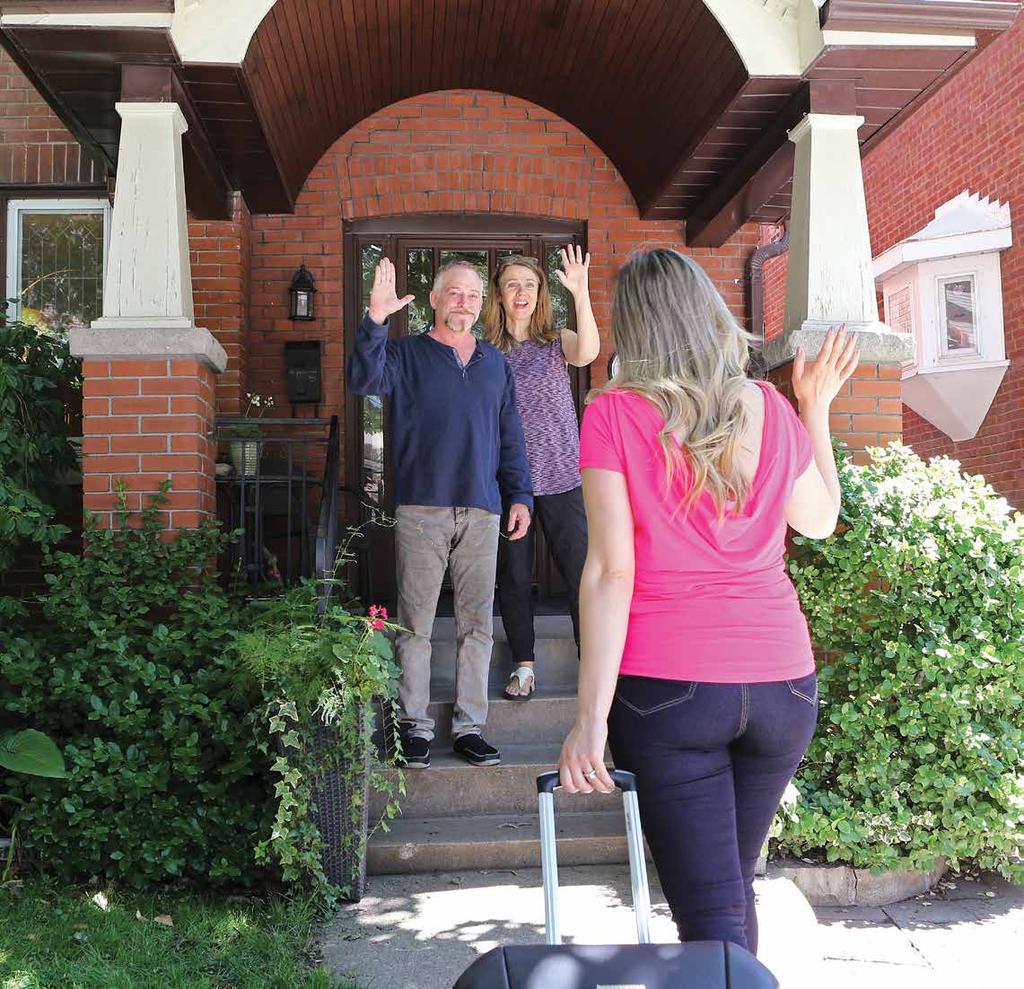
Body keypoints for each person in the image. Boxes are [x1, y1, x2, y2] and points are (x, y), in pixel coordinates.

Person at [557, 248, 859, 952]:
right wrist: (814, 410)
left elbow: (609, 572)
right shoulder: (772, 407)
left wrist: (589, 718)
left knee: (712, 911)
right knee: (726, 893)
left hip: (672, 694)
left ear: (633, 326)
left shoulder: (612, 414)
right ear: (708, 313)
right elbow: (817, 520)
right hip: (784, 684)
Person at [348, 258, 533, 769]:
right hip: (421, 509)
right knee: (416, 625)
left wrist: (520, 495)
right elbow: (363, 379)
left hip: (482, 511)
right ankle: (414, 727)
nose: (464, 303)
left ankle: (470, 726)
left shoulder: (496, 364)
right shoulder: (405, 355)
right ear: (434, 299)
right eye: (454, 293)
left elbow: (511, 438)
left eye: (473, 296)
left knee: (477, 624)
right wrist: (376, 320)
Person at [482, 248, 600, 700]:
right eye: (513, 284)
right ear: (499, 293)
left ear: (540, 293)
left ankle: (594, 667)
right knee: (513, 577)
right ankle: (524, 667)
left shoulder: (555, 341)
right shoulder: (486, 352)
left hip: (564, 476)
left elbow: (588, 351)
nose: (522, 292)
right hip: (510, 484)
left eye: (529, 285)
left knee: (579, 574)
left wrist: (580, 291)